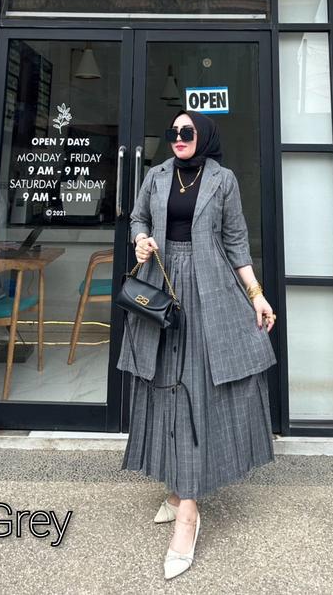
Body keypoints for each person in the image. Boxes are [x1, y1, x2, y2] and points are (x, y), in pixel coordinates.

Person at [117, 109, 278, 580]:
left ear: (203, 136)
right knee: (164, 384)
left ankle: (187, 511)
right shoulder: (156, 175)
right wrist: (141, 239)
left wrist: (256, 294)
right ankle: (178, 489)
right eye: (173, 132)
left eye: (187, 132)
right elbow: (138, 217)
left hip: (209, 293)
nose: (178, 137)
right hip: (161, 287)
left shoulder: (223, 180)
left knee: (196, 389)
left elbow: (236, 243)